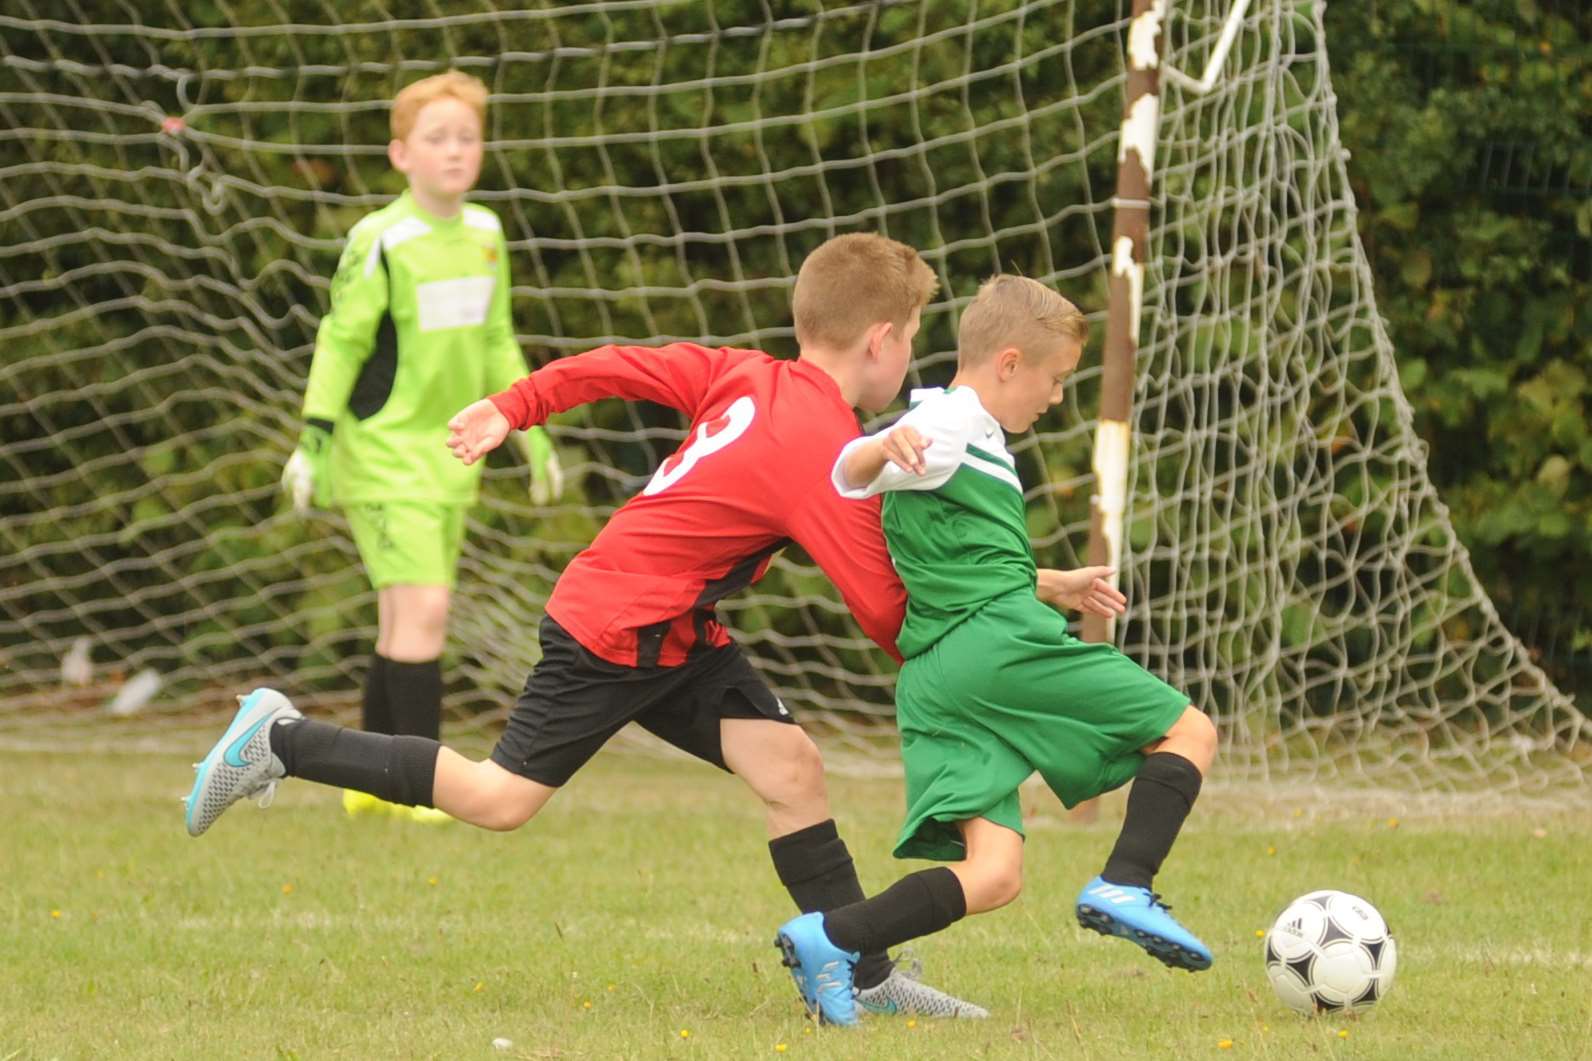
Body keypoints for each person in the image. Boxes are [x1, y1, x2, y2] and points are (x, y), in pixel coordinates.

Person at [186, 232, 987, 1019]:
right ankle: (278, 739)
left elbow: (617, 364)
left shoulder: (750, 374)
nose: (912, 356)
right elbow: (885, 608)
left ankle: (866, 974)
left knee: (790, 767)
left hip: (667, 623)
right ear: (880, 340)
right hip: (615, 627)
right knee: (498, 798)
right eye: (913, 338)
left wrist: (513, 405)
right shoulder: (820, 442)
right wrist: (978, 664)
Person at [774, 275, 1219, 1026]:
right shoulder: (950, 421)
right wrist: (874, 446)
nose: (1054, 397)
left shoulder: (963, 431)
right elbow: (849, 473)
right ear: (1008, 362)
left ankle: (832, 936)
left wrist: (1046, 582)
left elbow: (958, 563)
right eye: (1054, 379)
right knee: (1189, 730)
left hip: (939, 670)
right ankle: (1126, 880)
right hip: (996, 648)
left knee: (995, 872)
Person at [277, 71, 563, 824]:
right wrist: (313, 438)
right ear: (401, 154)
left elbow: (498, 338)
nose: (455, 150)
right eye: (437, 138)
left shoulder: (487, 234)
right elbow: (340, 342)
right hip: (378, 454)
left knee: (401, 618)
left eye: (467, 136)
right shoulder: (380, 238)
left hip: (451, 454)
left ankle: (368, 777)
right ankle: (423, 785)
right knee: (425, 610)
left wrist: (532, 432)